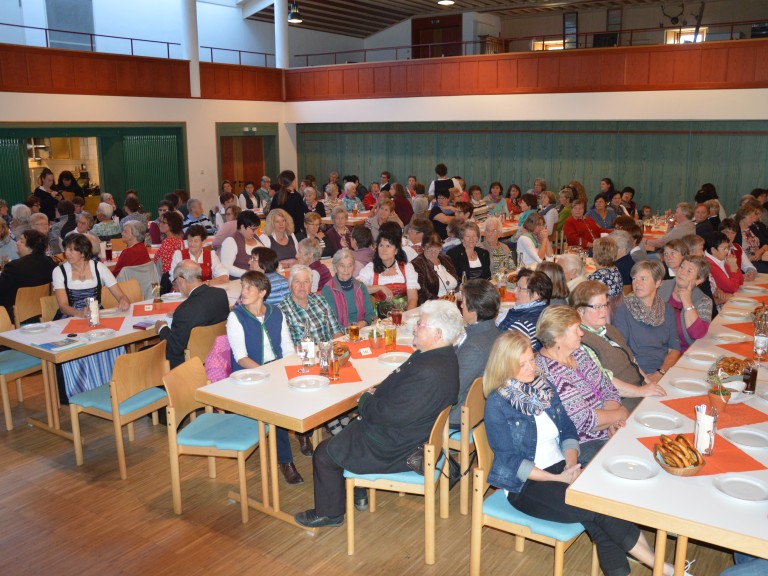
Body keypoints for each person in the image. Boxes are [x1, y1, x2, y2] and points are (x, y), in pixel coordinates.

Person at [484, 332, 682, 576]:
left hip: (560, 466)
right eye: (521, 364)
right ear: (504, 366)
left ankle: (653, 570)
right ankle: (665, 569)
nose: (530, 368)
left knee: (602, 511)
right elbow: (511, 462)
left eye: (531, 361)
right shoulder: (497, 403)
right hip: (524, 484)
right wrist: (558, 479)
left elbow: (567, 428)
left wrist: (571, 465)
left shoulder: (542, 387)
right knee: (598, 509)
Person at [294, 299, 462, 528]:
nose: (415, 327)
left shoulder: (429, 371)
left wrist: (365, 400)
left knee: (324, 453)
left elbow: (390, 414)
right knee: (345, 435)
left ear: (438, 333)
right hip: (412, 434)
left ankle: (330, 514)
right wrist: (378, 393)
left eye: (420, 324)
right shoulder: (442, 357)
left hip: (395, 447)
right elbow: (402, 391)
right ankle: (358, 488)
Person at [226, 270, 304, 484]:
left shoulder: (275, 312)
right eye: (243, 287)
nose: (243, 292)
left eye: (249, 287)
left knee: (305, 386)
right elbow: (241, 357)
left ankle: (303, 432)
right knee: (276, 403)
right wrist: (269, 374)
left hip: (276, 367)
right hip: (249, 374)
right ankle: (285, 461)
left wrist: (294, 368)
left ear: (262, 292)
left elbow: (287, 349)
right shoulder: (237, 316)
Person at [535, 305, 628, 463]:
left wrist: (612, 422)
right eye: (576, 329)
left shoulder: (577, 353)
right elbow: (584, 421)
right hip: (581, 445)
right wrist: (620, 414)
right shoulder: (549, 373)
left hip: (606, 428)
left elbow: (608, 389)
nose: (582, 333)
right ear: (558, 337)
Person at [52, 234, 130, 398]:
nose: (68, 253)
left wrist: (124, 301)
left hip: (96, 313)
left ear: (83, 251)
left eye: (73, 250)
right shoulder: (59, 271)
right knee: (76, 342)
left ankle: (115, 382)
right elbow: (63, 306)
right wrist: (80, 313)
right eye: (66, 249)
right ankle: (80, 389)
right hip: (71, 315)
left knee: (113, 338)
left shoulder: (98, 267)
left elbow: (120, 295)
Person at [571, 281, 666, 411]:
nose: (604, 310)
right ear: (580, 311)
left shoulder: (609, 329)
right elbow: (604, 382)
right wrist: (641, 391)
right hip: (622, 403)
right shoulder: (580, 342)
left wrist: (650, 384)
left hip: (640, 393)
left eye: (605, 305)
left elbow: (633, 362)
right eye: (598, 307)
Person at [613, 260, 681, 381]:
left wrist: (661, 372)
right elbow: (622, 351)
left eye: (643, 278)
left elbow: (674, 348)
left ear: (658, 283)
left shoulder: (667, 310)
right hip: (636, 373)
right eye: (634, 278)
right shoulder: (623, 310)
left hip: (664, 371)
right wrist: (645, 378)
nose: (637, 283)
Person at [155, 260, 230, 369]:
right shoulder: (221, 294)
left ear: (181, 280)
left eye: (175, 281)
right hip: (217, 354)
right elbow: (202, 312)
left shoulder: (184, 310)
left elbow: (174, 348)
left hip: (188, 363)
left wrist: (162, 328)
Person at [451, 279, 500, 428]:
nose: (461, 306)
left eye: (464, 304)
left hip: (459, 415)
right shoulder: (494, 331)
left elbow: (452, 389)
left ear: (473, 312)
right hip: (481, 407)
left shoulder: (475, 347)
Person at [357, 224, 419, 311]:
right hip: (379, 321)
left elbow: (413, 298)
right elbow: (357, 287)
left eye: (388, 246)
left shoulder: (406, 267)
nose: (384, 250)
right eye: (381, 245)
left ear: (396, 250)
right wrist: (380, 287)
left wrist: (407, 317)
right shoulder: (371, 268)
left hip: (404, 316)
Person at [279, 265, 344, 347]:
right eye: (297, 281)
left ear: (311, 285)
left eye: (306, 282)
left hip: (329, 351)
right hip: (304, 356)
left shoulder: (320, 300)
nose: (302, 286)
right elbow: (289, 348)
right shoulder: (283, 310)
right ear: (290, 284)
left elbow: (336, 330)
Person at [0, 229, 56, 324]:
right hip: (42, 311)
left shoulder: (14, 267)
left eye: (21, 241)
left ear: (31, 247)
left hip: (15, 313)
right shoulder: (49, 262)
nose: (17, 243)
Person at [658, 255, 712, 353]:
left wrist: (687, 303)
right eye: (682, 267)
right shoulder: (659, 286)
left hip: (682, 353)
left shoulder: (704, 301)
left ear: (699, 280)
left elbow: (697, 334)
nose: (682, 272)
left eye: (689, 271)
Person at [321, 248, 376, 329]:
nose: (346, 270)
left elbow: (371, 314)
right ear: (335, 267)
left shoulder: (360, 286)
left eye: (349, 265)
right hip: (341, 335)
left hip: (362, 331)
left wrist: (363, 323)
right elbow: (331, 323)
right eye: (342, 266)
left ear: (353, 267)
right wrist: (348, 330)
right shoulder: (328, 290)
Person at [498, 269, 551, 350]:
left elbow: (505, 353)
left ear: (536, 294)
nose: (514, 291)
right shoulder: (545, 309)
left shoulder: (523, 325)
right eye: (516, 286)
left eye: (520, 288)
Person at [411, 232, 459, 305]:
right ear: (423, 247)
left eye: (437, 250)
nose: (433, 254)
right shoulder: (417, 264)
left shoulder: (446, 259)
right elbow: (422, 293)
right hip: (433, 305)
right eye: (430, 250)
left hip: (453, 301)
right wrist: (442, 301)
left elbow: (457, 279)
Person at [705, 231, 744, 307]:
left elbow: (741, 281)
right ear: (713, 250)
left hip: (729, 299)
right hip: (719, 306)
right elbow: (732, 288)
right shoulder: (708, 264)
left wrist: (734, 265)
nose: (727, 251)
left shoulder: (721, 258)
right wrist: (733, 269)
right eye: (724, 248)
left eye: (728, 248)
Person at [220, 210, 263, 278]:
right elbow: (226, 266)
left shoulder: (256, 238)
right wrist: (248, 273)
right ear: (243, 227)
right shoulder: (230, 241)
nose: (255, 232)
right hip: (240, 281)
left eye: (257, 228)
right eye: (253, 229)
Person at [588, 236, 623, 301]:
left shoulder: (597, 277)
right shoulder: (614, 270)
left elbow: (587, 300)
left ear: (595, 254)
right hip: (614, 308)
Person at [271, 170, 305, 235]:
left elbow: (271, 213)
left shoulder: (277, 195)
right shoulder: (297, 197)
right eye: (295, 179)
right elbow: (300, 218)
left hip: (278, 230)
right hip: (293, 231)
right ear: (292, 182)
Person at [154, 211, 185, 285]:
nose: (160, 224)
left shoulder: (168, 242)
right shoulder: (180, 239)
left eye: (164, 223)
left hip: (167, 281)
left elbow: (166, 269)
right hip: (178, 276)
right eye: (160, 221)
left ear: (172, 225)